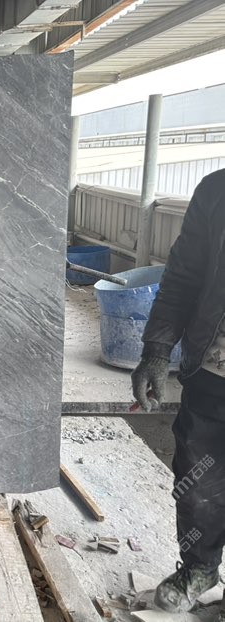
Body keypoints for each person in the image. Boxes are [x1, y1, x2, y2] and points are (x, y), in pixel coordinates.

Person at [132, 168, 225, 613]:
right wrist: (156, 351)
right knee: (197, 484)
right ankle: (200, 568)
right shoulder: (216, 190)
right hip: (212, 371)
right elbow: (183, 277)